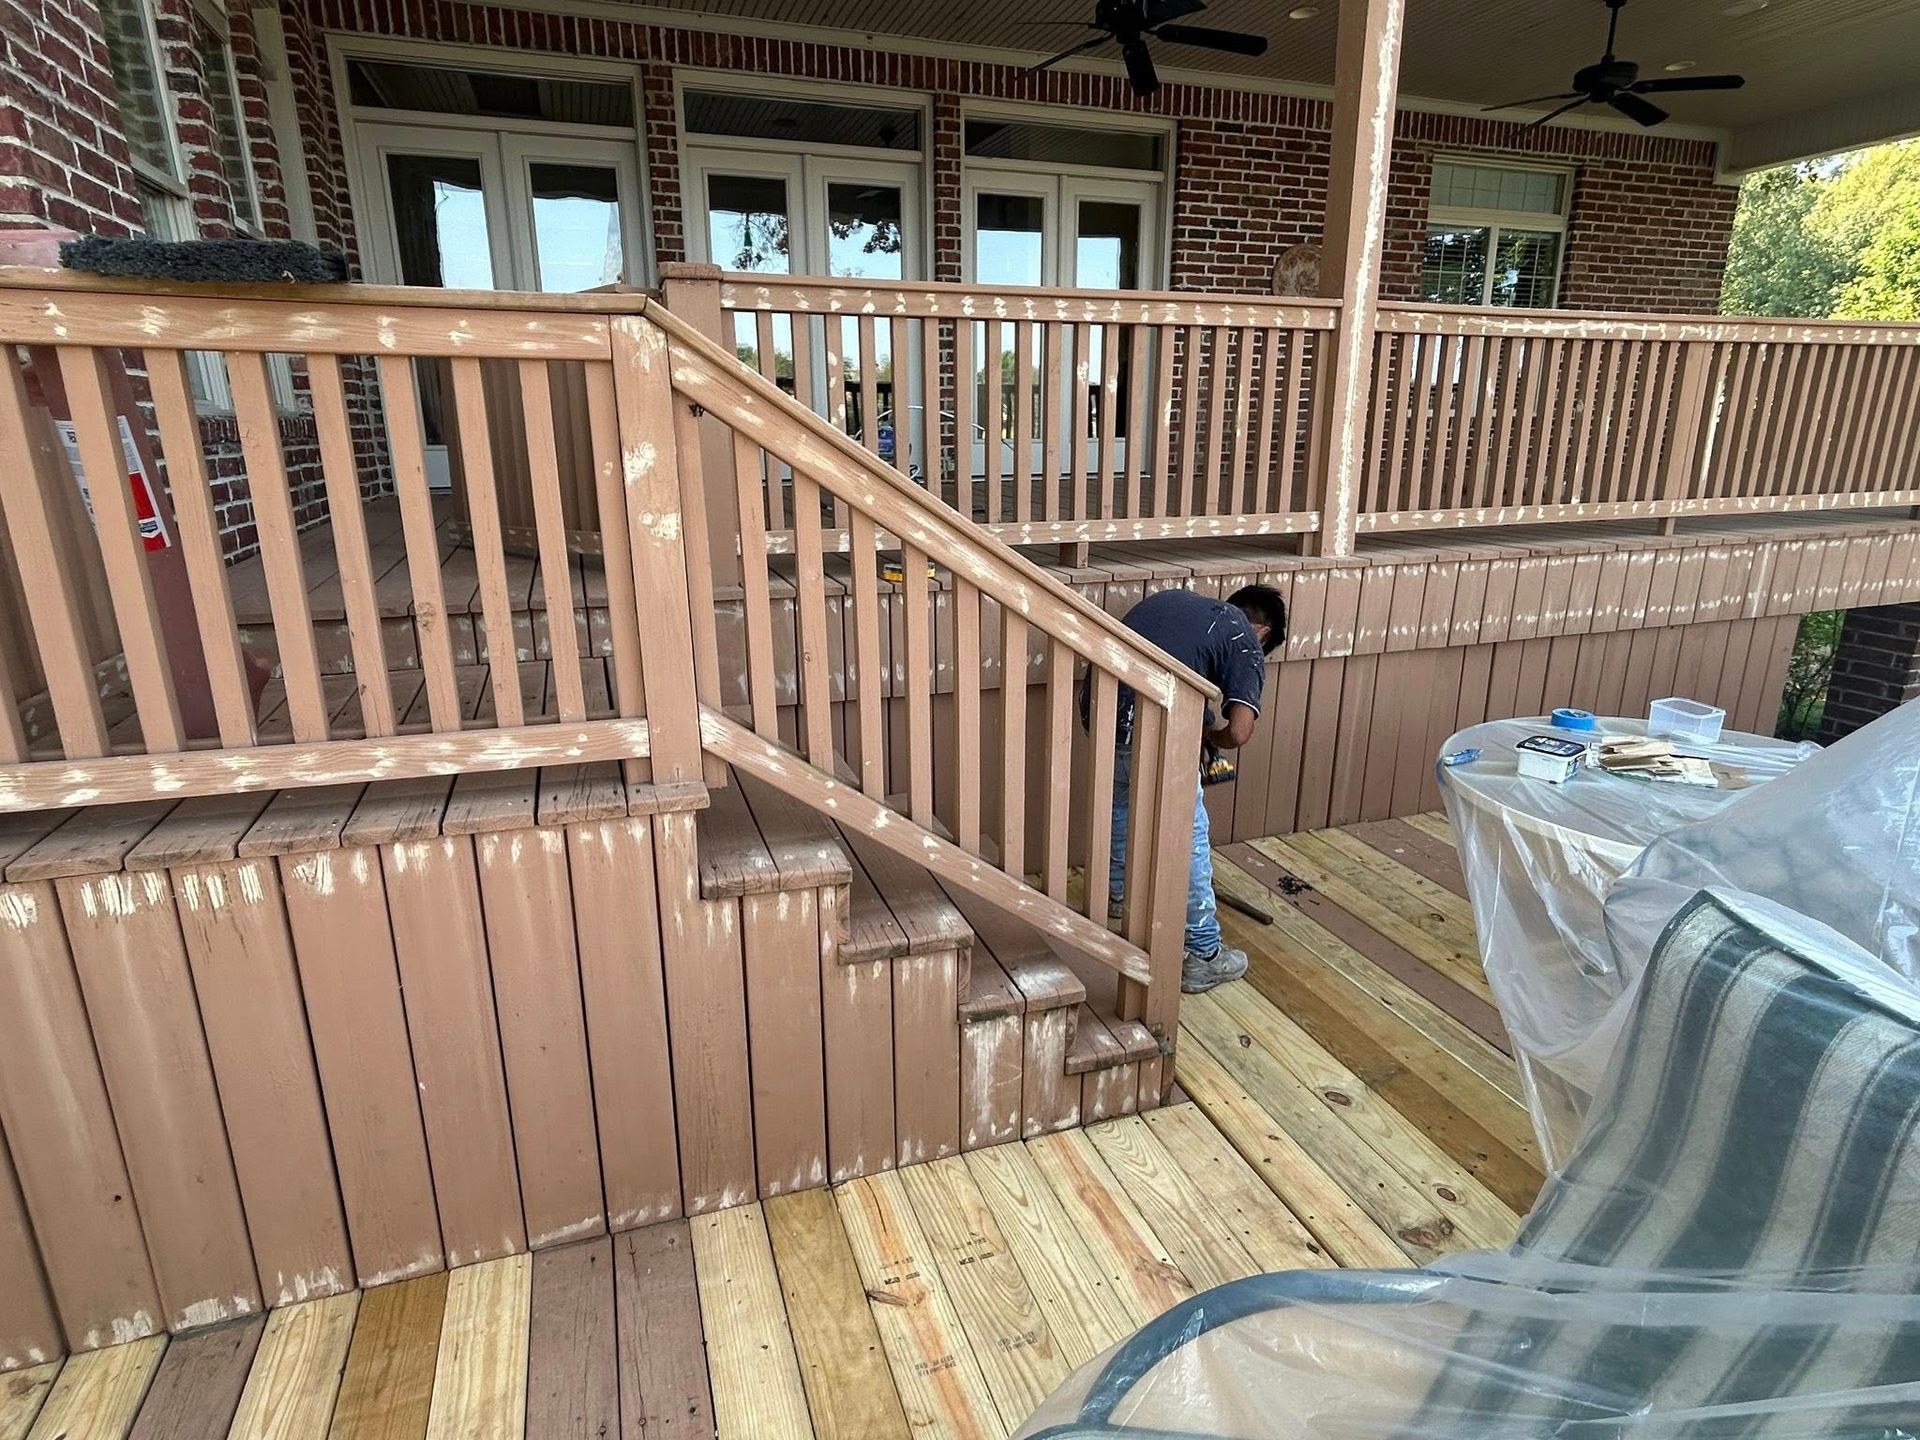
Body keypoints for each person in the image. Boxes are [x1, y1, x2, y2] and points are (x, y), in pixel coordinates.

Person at [1101, 584, 1286, 993]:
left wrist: (1198, 732)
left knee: (1120, 805)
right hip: (1156, 730)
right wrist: (1213, 740)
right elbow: (1239, 732)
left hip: (1104, 719)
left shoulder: (1174, 603)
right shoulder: (1243, 635)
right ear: (1263, 632)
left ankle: (1116, 896)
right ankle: (1203, 955)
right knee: (1191, 836)